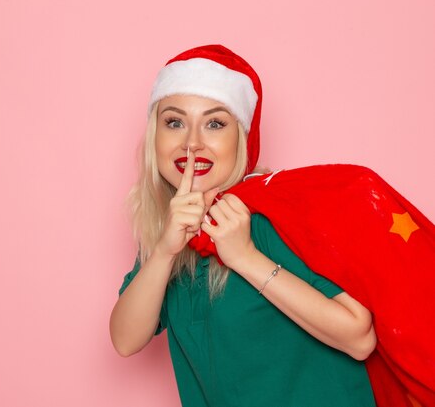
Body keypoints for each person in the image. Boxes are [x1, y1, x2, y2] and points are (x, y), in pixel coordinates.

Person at [109, 45, 378, 407]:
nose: (192, 142)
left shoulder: (272, 216)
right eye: (174, 122)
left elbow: (359, 337)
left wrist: (245, 257)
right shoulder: (169, 233)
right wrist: (164, 251)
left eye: (215, 123)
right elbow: (125, 340)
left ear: (242, 139)